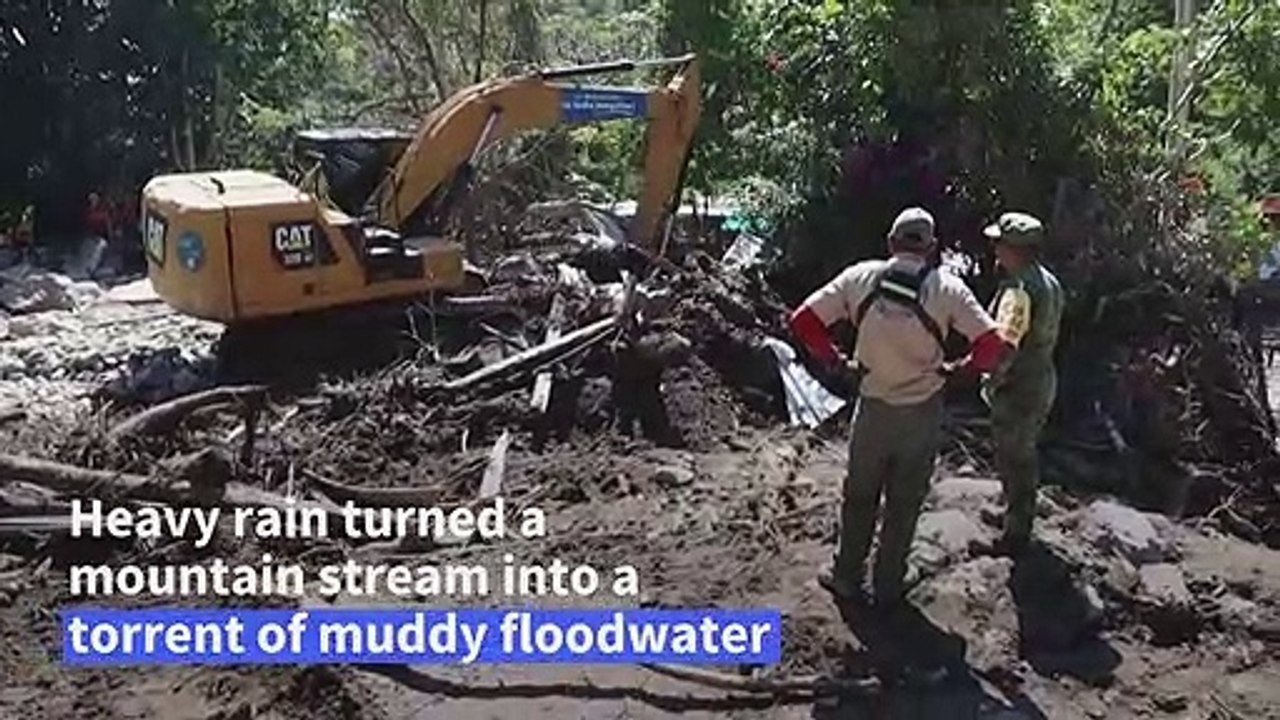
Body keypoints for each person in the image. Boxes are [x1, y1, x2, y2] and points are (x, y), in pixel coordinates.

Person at [789, 207, 1009, 609]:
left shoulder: (860, 277)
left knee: (858, 497)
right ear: (932, 248)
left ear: (891, 243)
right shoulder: (949, 289)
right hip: (922, 413)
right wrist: (960, 370)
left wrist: (836, 361)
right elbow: (993, 345)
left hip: (872, 409)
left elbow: (803, 320)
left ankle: (846, 577)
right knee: (904, 503)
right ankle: (889, 583)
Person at [978, 211, 1064, 555]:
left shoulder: (1019, 290)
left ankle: (1016, 533)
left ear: (1016, 249)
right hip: (1042, 378)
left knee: (1014, 456)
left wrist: (992, 380)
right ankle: (1016, 514)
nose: (995, 248)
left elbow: (1006, 344)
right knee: (1023, 453)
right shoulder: (1049, 282)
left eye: (1000, 242)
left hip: (1019, 387)